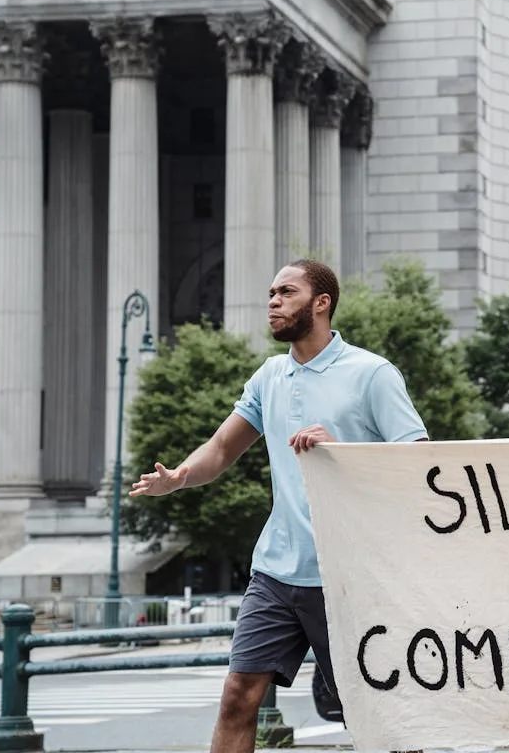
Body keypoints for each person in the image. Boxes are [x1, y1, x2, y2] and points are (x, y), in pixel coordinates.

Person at [130, 259, 428, 753]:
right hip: (276, 572)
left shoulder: (372, 373)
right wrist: (180, 477)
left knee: (377, 715)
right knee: (237, 698)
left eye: (286, 292)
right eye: (270, 292)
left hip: (354, 577)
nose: (272, 301)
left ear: (321, 303)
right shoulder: (270, 375)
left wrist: (342, 452)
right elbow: (222, 450)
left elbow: (418, 463)